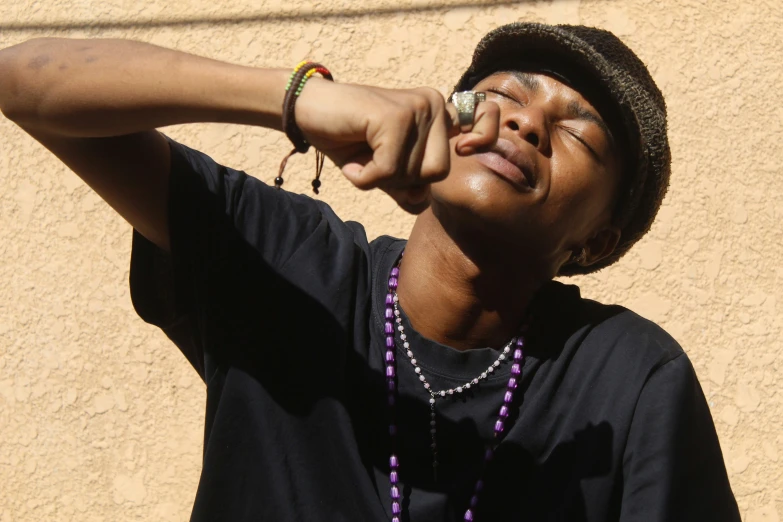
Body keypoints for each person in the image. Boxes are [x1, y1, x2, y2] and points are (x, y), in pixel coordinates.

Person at [0, 22, 740, 522]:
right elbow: (24, 79)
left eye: (578, 129)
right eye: (503, 95)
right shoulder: (291, 265)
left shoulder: (630, 380)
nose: (523, 122)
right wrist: (300, 99)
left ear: (597, 238)